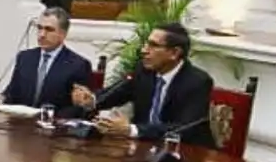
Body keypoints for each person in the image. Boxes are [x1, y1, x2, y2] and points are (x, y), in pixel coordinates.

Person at [68, 23, 216, 147]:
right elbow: (117, 92)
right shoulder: (144, 71)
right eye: (146, 44)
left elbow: (185, 127)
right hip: (143, 149)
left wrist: (133, 130)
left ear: (174, 53)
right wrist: (91, 100)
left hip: (186, 153)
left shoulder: (197, 82)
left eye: (153, 45)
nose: (144, 50)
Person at [0, 9, 91, 109]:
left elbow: (78, 107)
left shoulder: (78, 65)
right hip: (20, 118)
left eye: (49, 29)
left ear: (63, 34)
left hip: (55, 118)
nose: (42, 34)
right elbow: (12, 93)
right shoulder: (24, 58)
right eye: (39, 28)